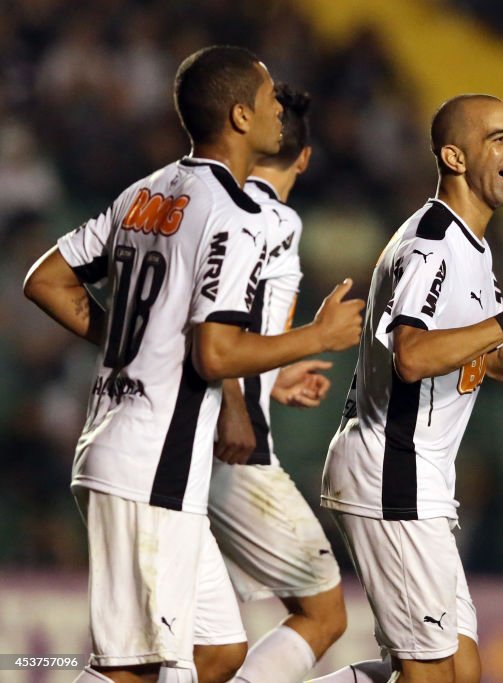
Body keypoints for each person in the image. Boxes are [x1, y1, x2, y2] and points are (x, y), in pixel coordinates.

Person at [21, 46, 364, 683]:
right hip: (152, 463)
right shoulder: (235, 216)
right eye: (268, 102)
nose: (277, 115)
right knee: (133, 669)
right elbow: (216, 352)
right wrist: (317, 334)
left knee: (217, 651)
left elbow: (46, 280)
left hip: (139, 456)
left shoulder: (145, 192)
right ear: (240, 116)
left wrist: (136, 335)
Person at [316, 94, 503, 683]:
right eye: (498, 137)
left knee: (460, 671)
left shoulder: (474, 250)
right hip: (390, 469)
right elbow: (412, 355)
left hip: (419, 477)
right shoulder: (432, 241)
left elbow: (495, 363)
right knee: (431, 676)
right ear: (453, 155)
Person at [207, 83, 347, 683]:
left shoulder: (215, 203)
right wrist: (240, 397)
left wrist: (271, 375)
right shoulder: (273, 219)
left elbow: (237, 325)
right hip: (234, 451)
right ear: (305, 158)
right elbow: (216, 321)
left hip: (182, 445)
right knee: (325, 614)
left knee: (205, 649)